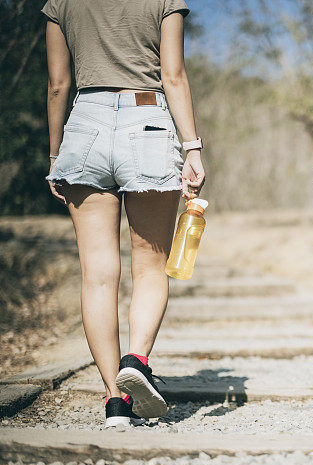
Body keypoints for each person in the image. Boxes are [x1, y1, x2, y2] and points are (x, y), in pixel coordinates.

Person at [43, 0, 206, 427]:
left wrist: (57, 154)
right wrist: (192, 147)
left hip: (84, 123)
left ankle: (116, 400)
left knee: (97, 275)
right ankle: (136, 358)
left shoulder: (60, 2)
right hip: (148, 118)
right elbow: (172, 75)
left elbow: (58, 84)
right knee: (150, 267)